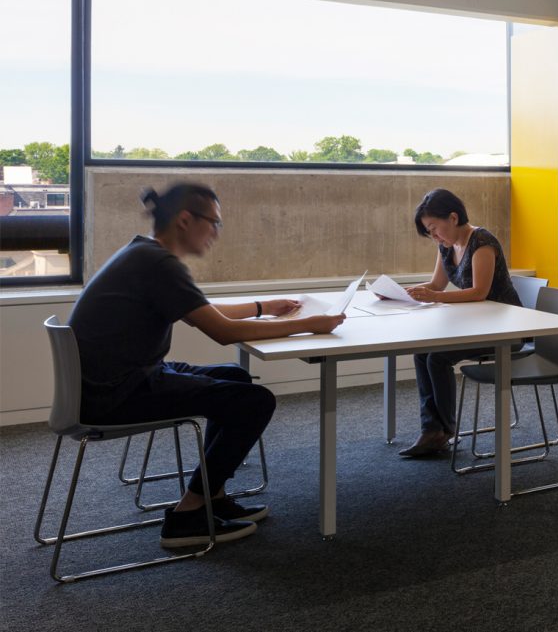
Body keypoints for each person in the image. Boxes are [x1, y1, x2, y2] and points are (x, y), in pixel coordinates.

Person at [68, 184, 345, 548]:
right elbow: (222, 331)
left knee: (234, 377)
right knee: (254, 401)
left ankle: (211, 493)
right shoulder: (158, 263)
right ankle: (188, 514)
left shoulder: (146, 253)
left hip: (116, 381)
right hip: (116, 394)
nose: (216, 232)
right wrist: (310, 324)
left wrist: (265, 306)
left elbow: (204, 312)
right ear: (186, 220)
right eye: (215, 223)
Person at [396, 188, 522, 458]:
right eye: (429, 232)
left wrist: (435, 296)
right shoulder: (445, 245)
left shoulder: (482, 242)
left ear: (453, 217)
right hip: (477, 324)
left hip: (506, 328)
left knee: (438, 358)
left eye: (434, 228)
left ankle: (443, 431)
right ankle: (432, 430)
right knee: (422, 353)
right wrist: (404, 293)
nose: (434, 236)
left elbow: (480, 292)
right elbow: (436, 285)